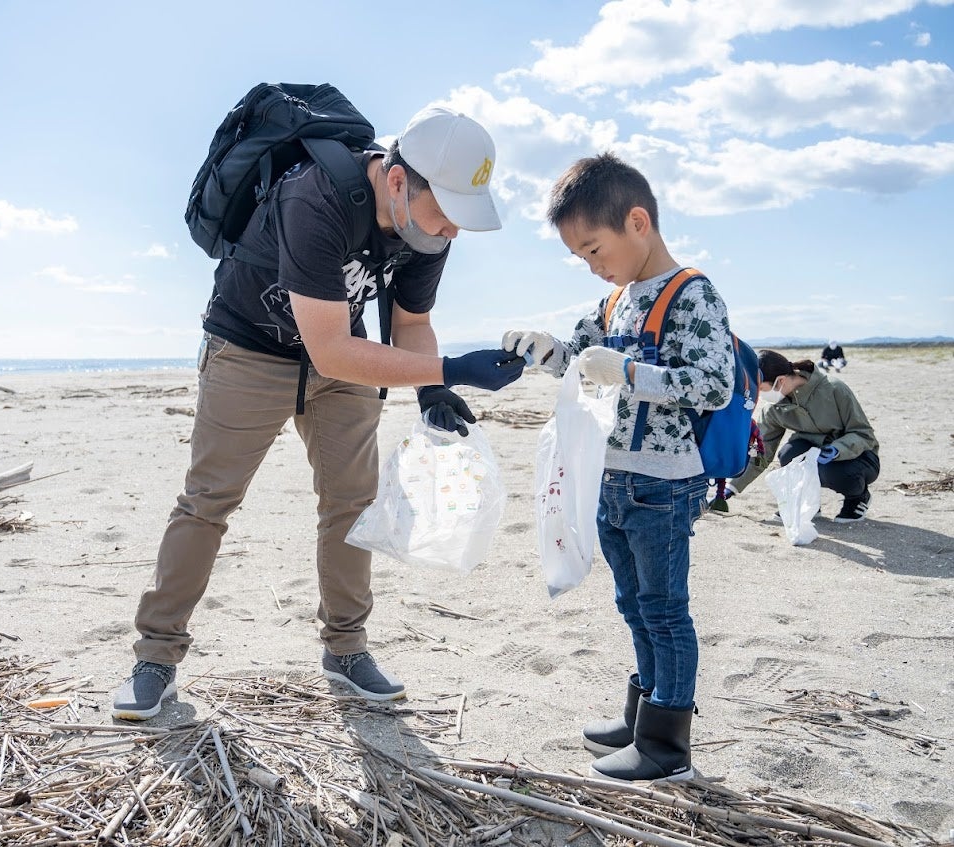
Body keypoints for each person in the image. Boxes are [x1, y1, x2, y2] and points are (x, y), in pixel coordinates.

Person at [112, 105, 525, 720]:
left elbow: (411, 324)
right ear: (396, 181)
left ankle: (346, 649)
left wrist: (432, 390)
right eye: (448, 212)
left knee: (352, 506)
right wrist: (452, 370)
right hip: (250, 349)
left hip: (343, 358)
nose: (453, 232)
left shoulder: (428, 230)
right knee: (208, 502)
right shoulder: (317, 196)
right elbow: (332, 350)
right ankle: (156, 658)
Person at [502, 152, 735, 782]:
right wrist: (547, 351)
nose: (591, 264)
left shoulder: (692, 293)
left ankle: (667, 745)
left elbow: (714, 383)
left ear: (638, 222)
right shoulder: (613, 303)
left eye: (594, 249)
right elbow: (578, 360)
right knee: (633, 603)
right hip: (610, 478)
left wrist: (631, 372)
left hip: (664, 482)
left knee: (664, 608)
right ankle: (640, 717)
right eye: (580, 257)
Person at [711, 349, 879, 522]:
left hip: (860, 457)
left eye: (761, 389)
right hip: (814, 453)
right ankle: (808, 504)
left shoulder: (834, 389)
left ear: (781, 380)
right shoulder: (774, 409)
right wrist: (733, 486)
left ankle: (858, 498)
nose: (759, 395)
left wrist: (837, 449)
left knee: (832, 472)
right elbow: (761, 450)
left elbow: (863, 434)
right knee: (789, 455)